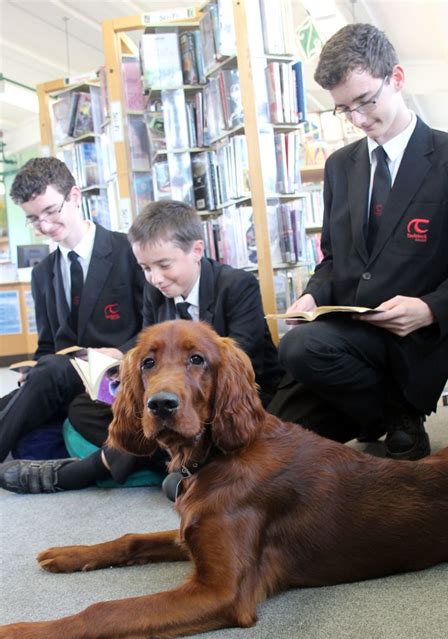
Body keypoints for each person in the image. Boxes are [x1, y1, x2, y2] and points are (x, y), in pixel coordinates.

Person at [268, 23, 448, 460]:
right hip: (341, 339)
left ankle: (399, 411)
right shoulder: (340, 166)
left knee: (299, 349)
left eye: (365, 101)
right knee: (274, 440)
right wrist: (310, 296)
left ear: (396, 78)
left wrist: (430, 308)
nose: (359, 119)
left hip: (412, 341)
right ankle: (384, 415)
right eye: (344, 109)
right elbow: (333, 259)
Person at [1, 199, 283, 493]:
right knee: (83, 408)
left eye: (164, 265)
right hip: (172, 396)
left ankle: (78, 473)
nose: (155, 278)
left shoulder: (237, 285)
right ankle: (176, 465)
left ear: (196, 250)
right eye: (145, 268)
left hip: (228, 398)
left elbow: (242, 362)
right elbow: (149, 346)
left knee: (164, 411)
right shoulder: (155, 291)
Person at [0, 157, 144, 464]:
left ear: (75, 196)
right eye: (34, 219)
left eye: (51, 212)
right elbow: (48, 346)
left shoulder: (128, 251)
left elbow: (156, 326)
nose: (45, 226)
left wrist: (119, 353)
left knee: (46, 376)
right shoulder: (42, 274)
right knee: (16, 396)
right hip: (64, 377)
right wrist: (32, 370)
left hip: (118, 372)